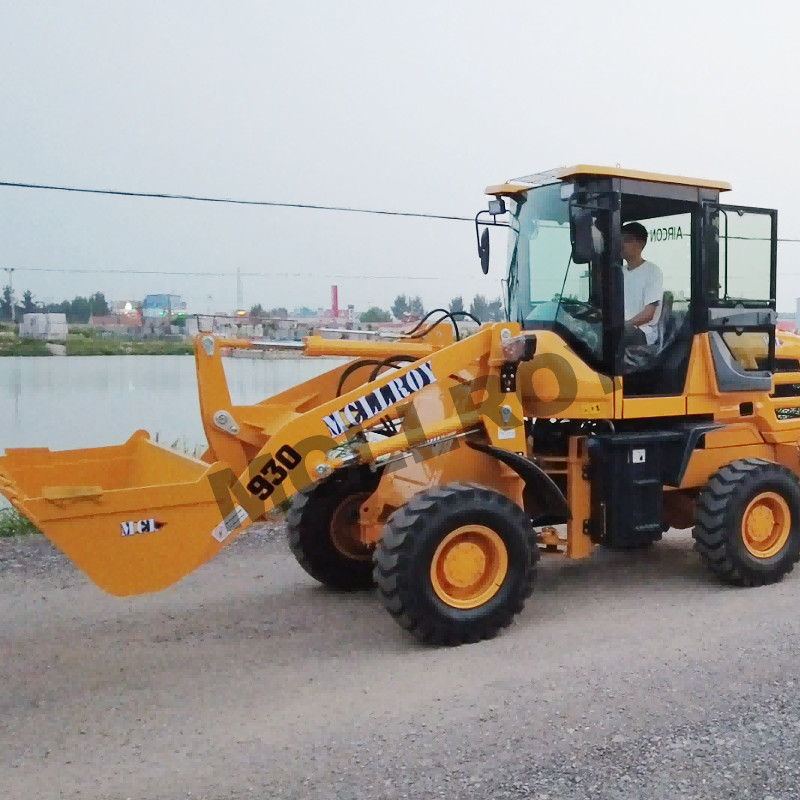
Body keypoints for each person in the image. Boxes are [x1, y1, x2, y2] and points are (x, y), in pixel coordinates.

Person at [621, 222, 663, 346]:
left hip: (642, 331)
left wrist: (623, 326)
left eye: (626, 241)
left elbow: (648, 314)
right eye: (620, 240)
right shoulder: (619, 272)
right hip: (622, 328)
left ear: (640, 244)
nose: (621, 245)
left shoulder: (652, 271)